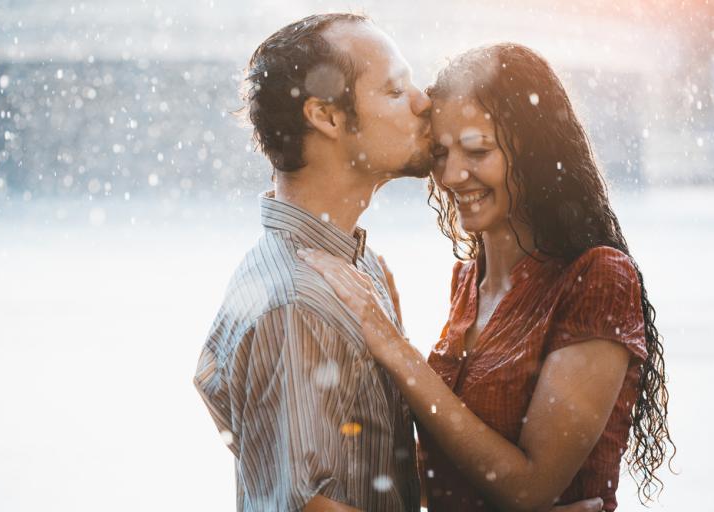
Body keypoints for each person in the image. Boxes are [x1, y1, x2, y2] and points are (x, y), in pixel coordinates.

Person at [298, 43, 674, 511]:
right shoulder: (467, 281)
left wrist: (394, 347)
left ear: (534, 152)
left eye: (478, 150)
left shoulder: (597, 277)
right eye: (440, 152)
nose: (453, 174)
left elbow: (530, 489)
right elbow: (448, 472)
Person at [193, 12, 432, 512]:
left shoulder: (343, 267)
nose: (423, 102)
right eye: (394, 91)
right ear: (326, 117)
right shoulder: (297, 301)